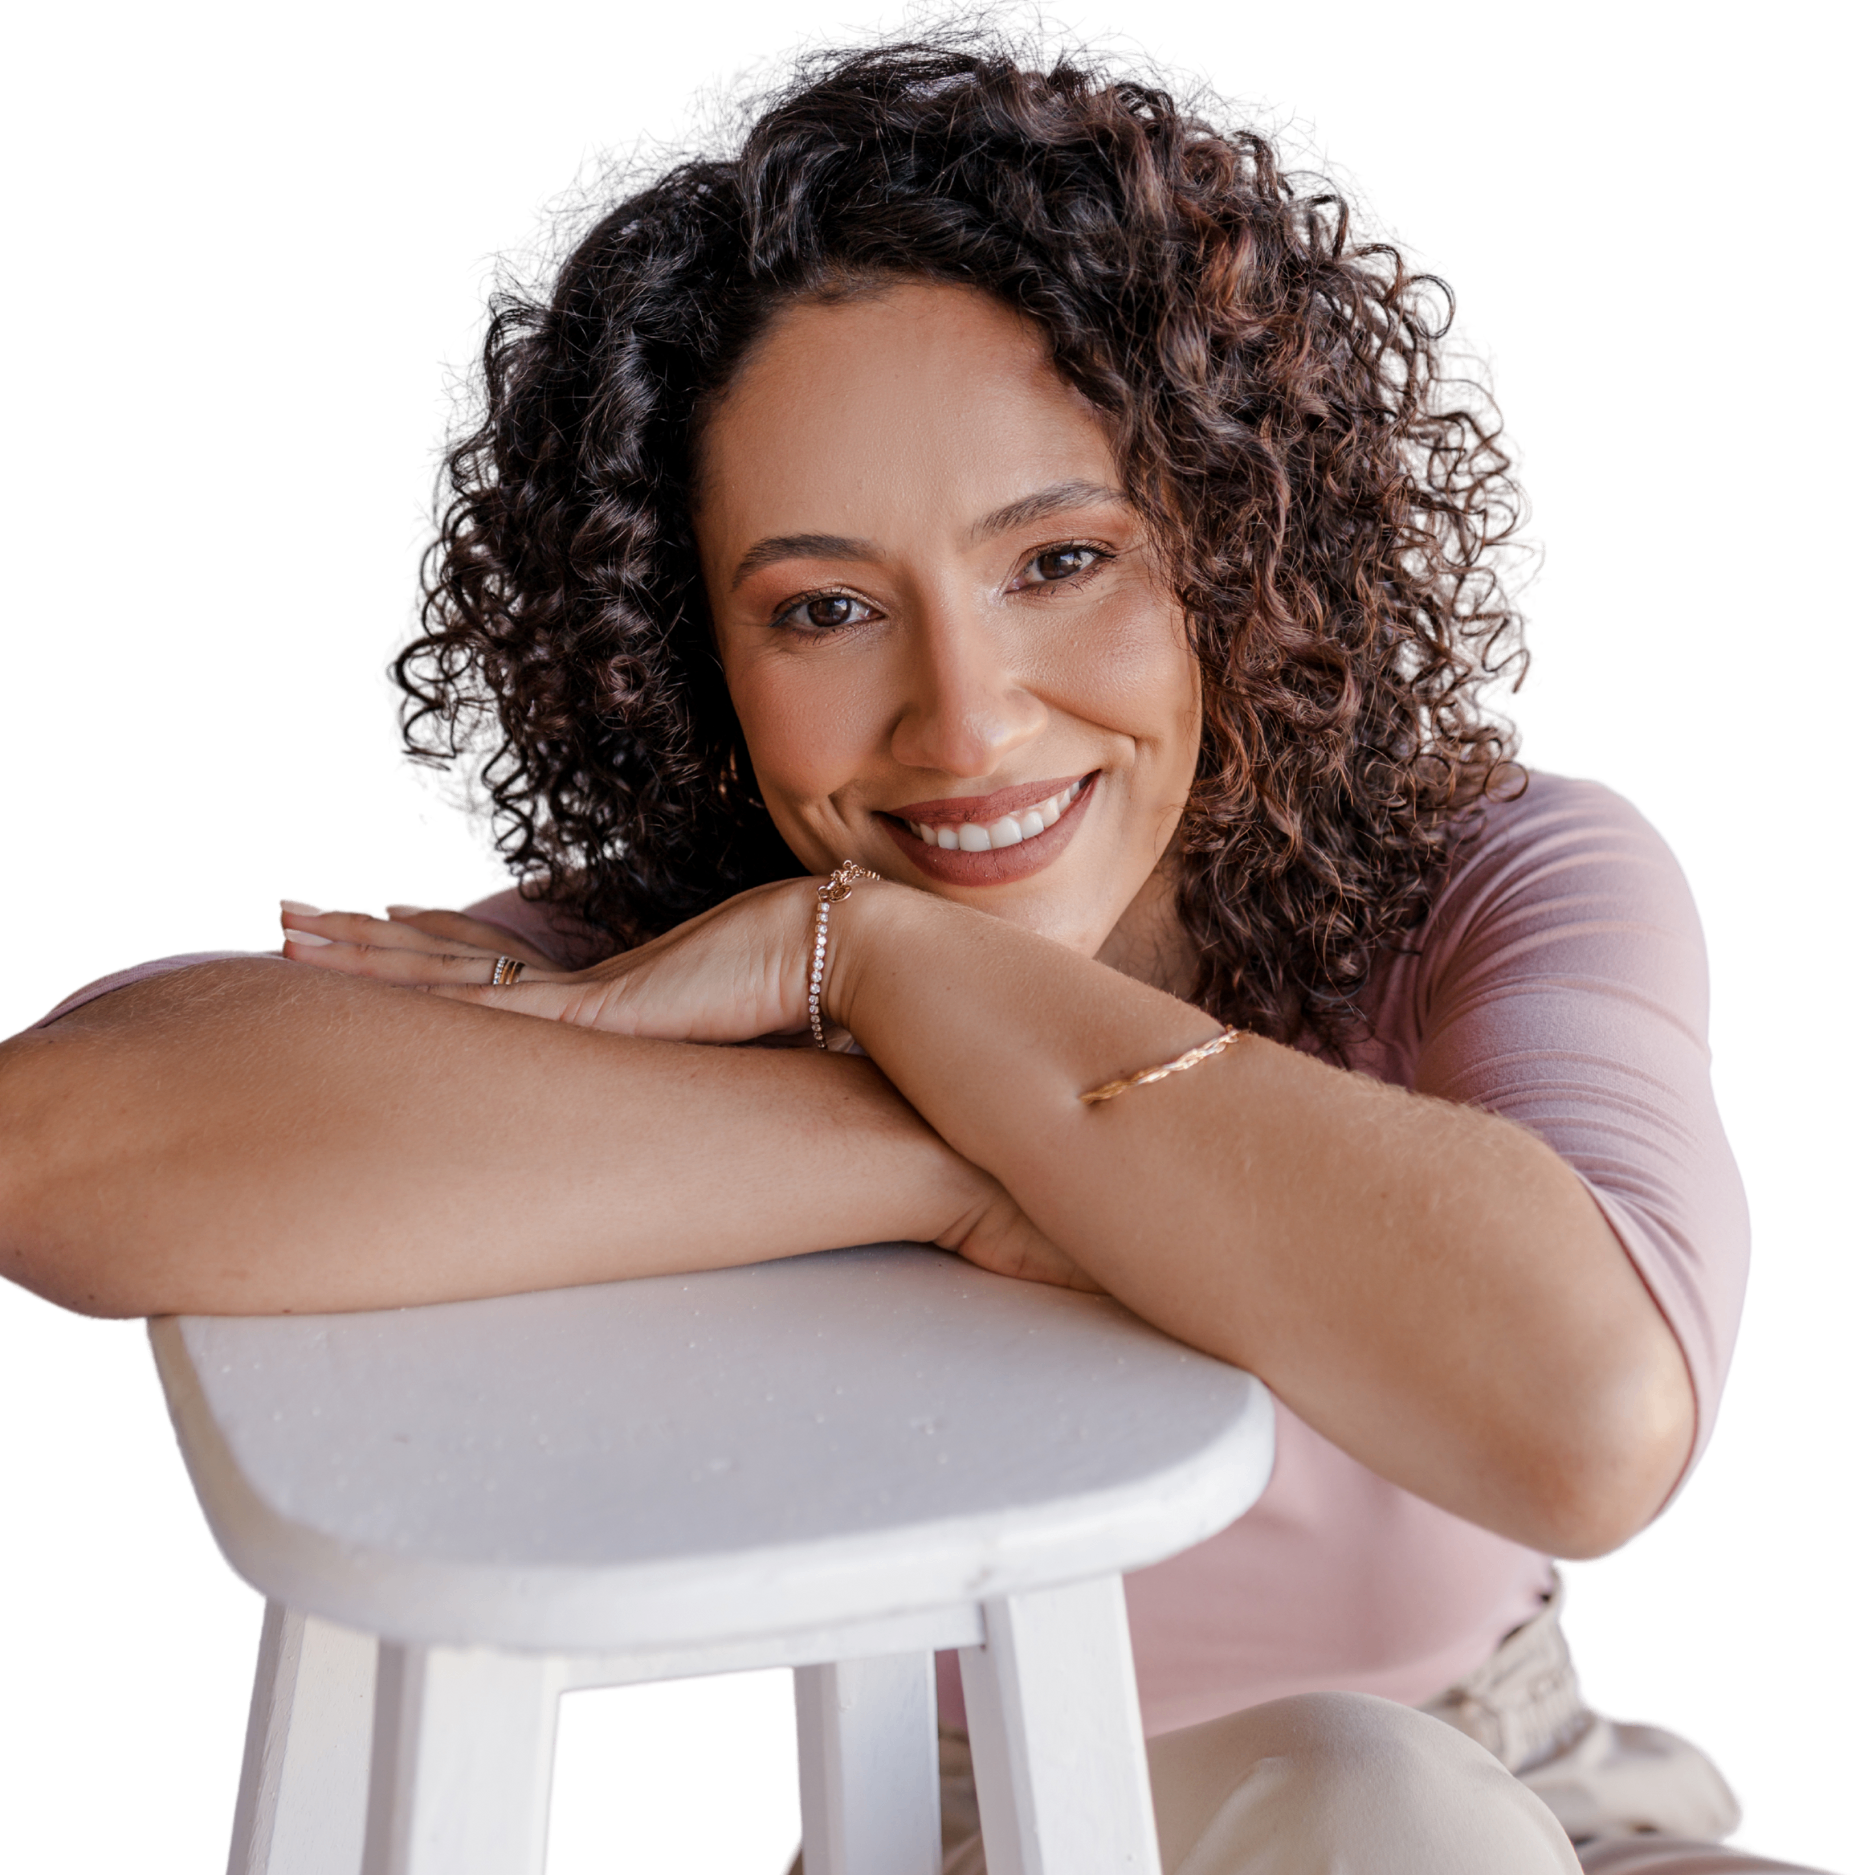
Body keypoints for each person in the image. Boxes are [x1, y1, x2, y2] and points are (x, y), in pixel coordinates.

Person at [0, 11, 1828, 1872]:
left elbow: (1592, 1421)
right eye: (823, 609)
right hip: (976, 1834)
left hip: (1563, 1797)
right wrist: (954, 1154)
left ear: (1229, 545)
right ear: (695, 659)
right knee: (1377, 1808)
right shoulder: (672, 948)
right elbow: (47, 1144)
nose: (963, 724)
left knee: (1409, 1800)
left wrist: (879, 962)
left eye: (1058, 561)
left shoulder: (1490, 869)